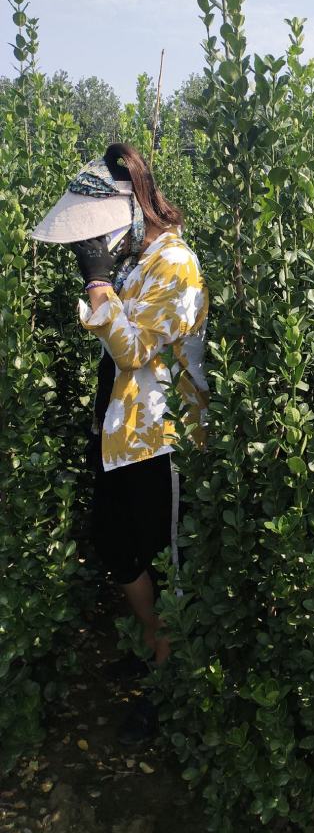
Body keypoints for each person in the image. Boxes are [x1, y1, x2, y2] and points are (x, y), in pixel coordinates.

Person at [29, 142, 210, 744]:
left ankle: (170, 686)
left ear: (137, 206)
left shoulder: (175, 264)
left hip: (161, 438)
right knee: (116, 544)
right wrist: (109, 277)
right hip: (120, 429)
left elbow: (133, 349)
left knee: (165, 562)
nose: (98, 244)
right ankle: (154, 646)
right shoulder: (136, 257)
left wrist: (99, 284)